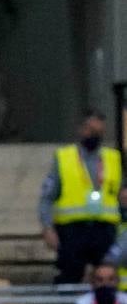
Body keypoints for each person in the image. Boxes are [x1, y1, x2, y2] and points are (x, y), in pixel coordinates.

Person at [38, 110, 121, 284]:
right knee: (69, 277)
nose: (95, 135)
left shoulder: (112, 158)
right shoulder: (64, 158)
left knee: (106, 278)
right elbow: (46, 197)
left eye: (99, 132)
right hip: (72, 231)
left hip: (104, 230)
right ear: (81, 130)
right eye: (91, 130)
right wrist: (47, 228)